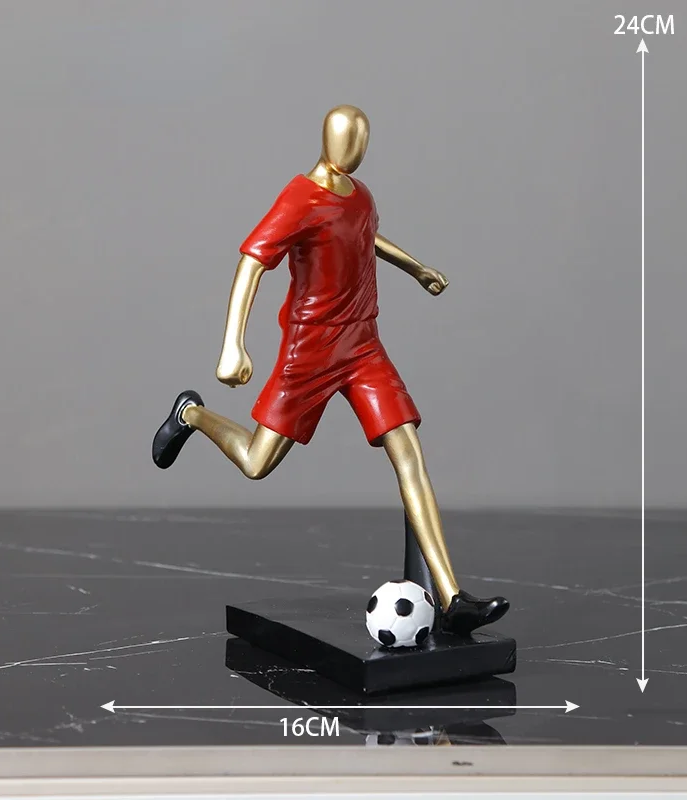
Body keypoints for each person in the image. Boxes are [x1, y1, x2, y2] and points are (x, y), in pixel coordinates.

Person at [152, 105, 508, 635]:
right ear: (327, 140)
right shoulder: (299, 198)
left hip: (363, 346)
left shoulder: (361, 196)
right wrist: (232, 345)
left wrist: (416, 268)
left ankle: (453, 598)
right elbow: (252, 261)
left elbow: (363, 236)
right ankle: (193, 414)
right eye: (348, 142)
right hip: (311, 351)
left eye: (362, 144)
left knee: (408, 452)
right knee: (256, 462)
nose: (355, 153)